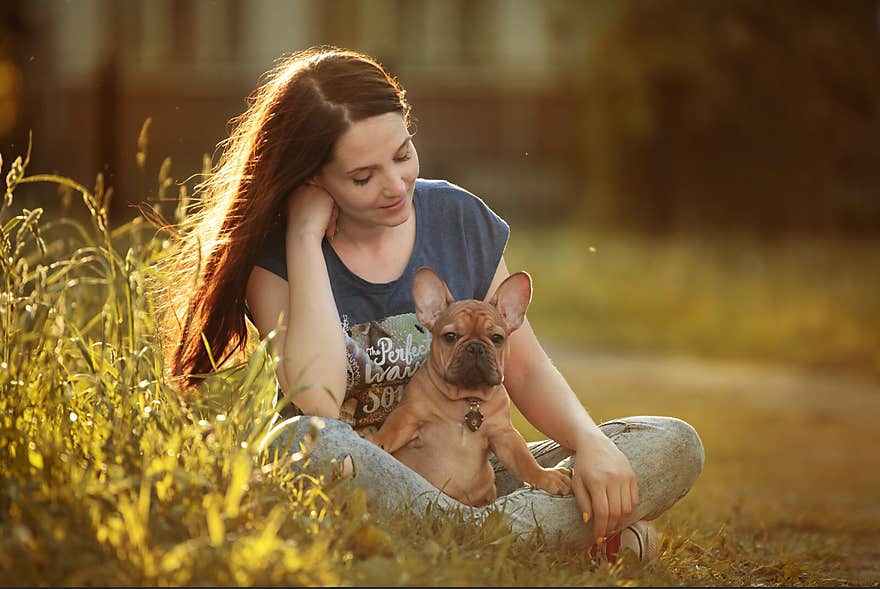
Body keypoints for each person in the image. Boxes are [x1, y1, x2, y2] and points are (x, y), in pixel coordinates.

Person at [162, 47, 704, 562]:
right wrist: (305, 236)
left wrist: (590, 444)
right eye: (362, 176)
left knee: (672, 442)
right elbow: (320, 404)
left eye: (402, 155)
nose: (395, 185)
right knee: (304, 443)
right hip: (363, 475)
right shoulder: (278, 256)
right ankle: (531, 535)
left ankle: (472, 533)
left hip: (474, 468)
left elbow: (528, 368)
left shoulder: (458, 218)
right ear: (312, 179)